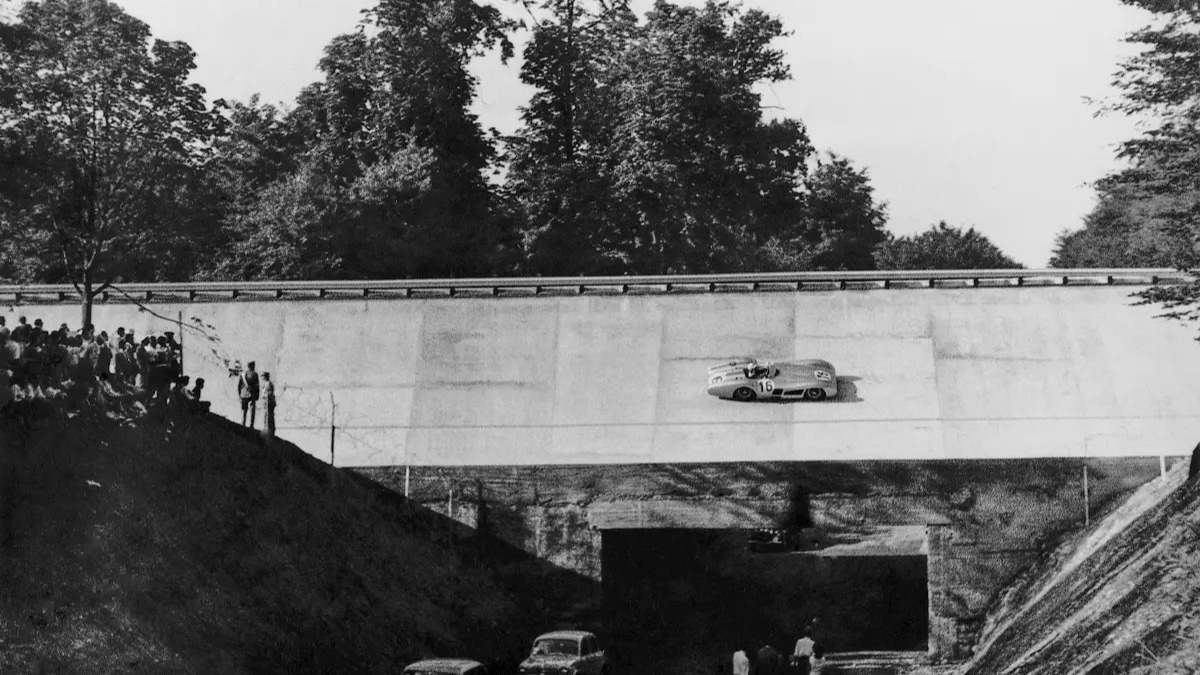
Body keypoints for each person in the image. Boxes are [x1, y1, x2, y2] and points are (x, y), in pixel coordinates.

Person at [238, 361, 260, 428]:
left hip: (244, 394)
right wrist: (257, 395)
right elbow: (257, 386)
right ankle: (251, 425)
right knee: (252, 410)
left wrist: (239, 394)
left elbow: (239, 385)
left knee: (244, 410)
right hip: (252, 394)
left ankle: (243, 423)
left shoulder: (243, 374)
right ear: (252, 366)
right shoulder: (255, 374)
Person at [262, 372, 276, 436]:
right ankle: (268, 428)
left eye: (263, 376)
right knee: (267, 415)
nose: (262, 378)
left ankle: (269, 429)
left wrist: (266, 396)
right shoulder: (266, 383)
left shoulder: (268, 383)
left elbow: (269, 393)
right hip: (267, 401)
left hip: (269, 401)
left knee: (268, 416)